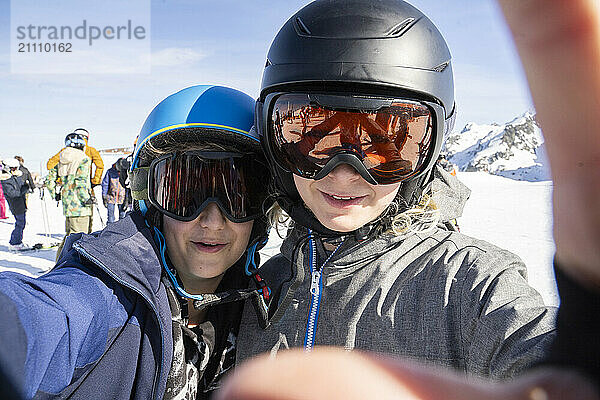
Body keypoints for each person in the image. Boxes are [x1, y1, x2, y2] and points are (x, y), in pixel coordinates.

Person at [216, 0, 600, 399]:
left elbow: (525, 338)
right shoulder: (262, 286)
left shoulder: (468, 284)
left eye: (386, 141)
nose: (344, 171)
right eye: (312, 135)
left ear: (430, 152)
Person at [0, 85, 273, 399]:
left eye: (238, 196)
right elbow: (42, 320)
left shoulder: (264, 307)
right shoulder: (109, 298)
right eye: (185, 194)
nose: (212, 221)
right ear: (150, 201)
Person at [46, 131, 94, 260]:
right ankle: (68, 266)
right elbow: (81, 182)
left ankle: (59, 262)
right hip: (80, 205)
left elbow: (49, 180)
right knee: (79, 237)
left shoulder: (62, 158)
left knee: (70, 235)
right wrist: (87, 199)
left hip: (68, 204)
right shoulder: (83, 159)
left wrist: (55, 194)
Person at [47, 127, 104, 233]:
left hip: (67, 201)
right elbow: (97, 167)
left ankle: (64, 250)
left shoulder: (63, 154)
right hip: (81, 203)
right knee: (80, 236)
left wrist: (57, 191)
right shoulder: (85, 155)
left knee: (70, 235)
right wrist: (94, 182)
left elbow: (49, 174)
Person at [0, 157, 29, 250]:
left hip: (21, 202)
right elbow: (12, 193)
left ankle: (16, 241)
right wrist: (23, 190)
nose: (15, 170)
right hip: (15, 204)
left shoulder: (15, 176)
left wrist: (26, 186)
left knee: (21, 223)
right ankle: (15, 243)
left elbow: (21, 186)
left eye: (16, 168)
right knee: (20, 223)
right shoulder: (5, 179)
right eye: (13, 168)